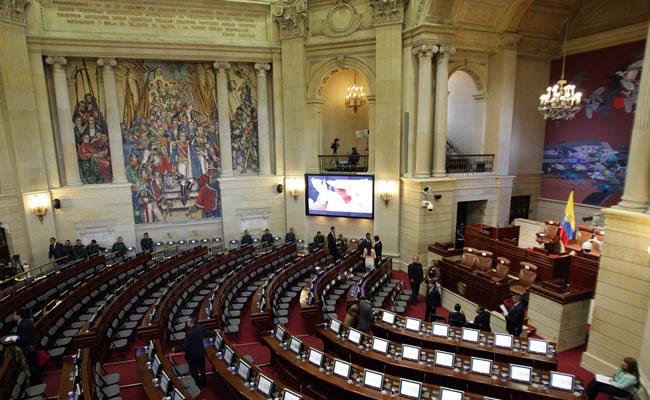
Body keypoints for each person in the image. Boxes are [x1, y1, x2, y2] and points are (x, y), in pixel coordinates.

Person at [173, 316, 216, 388]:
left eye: (188, 322)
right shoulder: (201, 328)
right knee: (202, 370)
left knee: (194, 372)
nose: (186, 322)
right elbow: (208, 333)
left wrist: (175, 350)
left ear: (191, 323)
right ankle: (204, 383)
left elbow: (185, 346)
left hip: (192, 356)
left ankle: (198, 385)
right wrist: (215, 331)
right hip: (201, 353)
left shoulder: (189, 333)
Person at [10, 307, 41, 384]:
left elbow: (24, 339)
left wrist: (15, 340)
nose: (13, 317)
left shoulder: (22, 325)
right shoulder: (28, 321)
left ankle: (36, 382)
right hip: (32, 345)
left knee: (32, 365)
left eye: (14, 315)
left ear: (19, 316)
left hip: (28, 348)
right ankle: (38, 380)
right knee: (34, 364)